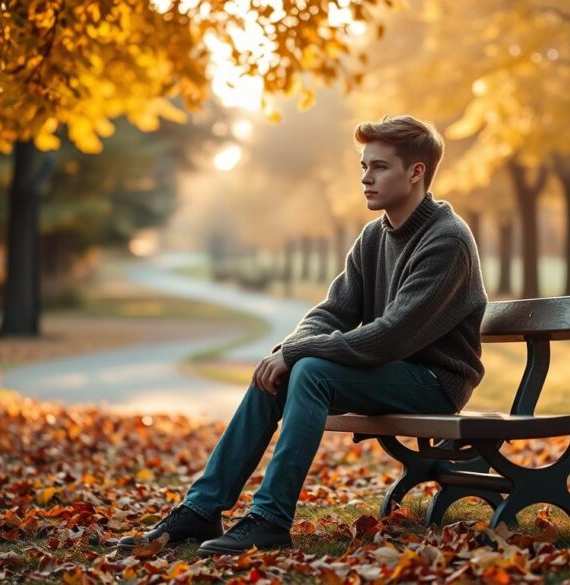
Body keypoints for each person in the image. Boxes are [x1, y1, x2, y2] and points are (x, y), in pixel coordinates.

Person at [118, 115, 487, 556]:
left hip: (434, 383)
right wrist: (287, 351)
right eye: (364, 166)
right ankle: (202, 508)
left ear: (416, 172)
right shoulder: (375, 237)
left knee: (307, 368)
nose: (366, 178)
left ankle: (271, 518)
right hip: (393, 373)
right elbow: (333, 310)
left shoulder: (446, 240)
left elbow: (391, 337)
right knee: (280, 369)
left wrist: (297, 353)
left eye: (380, 167)